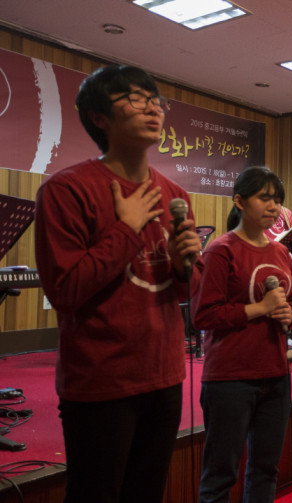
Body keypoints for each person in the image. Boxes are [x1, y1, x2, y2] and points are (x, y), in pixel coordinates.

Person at [34, 65, 202, 503]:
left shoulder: (175, 195)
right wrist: (126, 229)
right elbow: (64, 290)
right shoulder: (66, 189)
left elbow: (182, 291)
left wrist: (183, 267)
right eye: (135, 98)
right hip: (101, 382)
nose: (152, 108)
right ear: (99, 117)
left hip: (164, 376)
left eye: (155, 99)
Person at [193, 166, 292, 503]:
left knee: (266, 470)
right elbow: (203, 315)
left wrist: (288, 314)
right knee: (220, 476)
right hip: (230, 378)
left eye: (277, 200)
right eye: (264, 198)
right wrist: (261, 308)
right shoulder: (220, 250)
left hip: (276, 374)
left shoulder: (281, 253)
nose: (274, 206)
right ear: (239, 201)